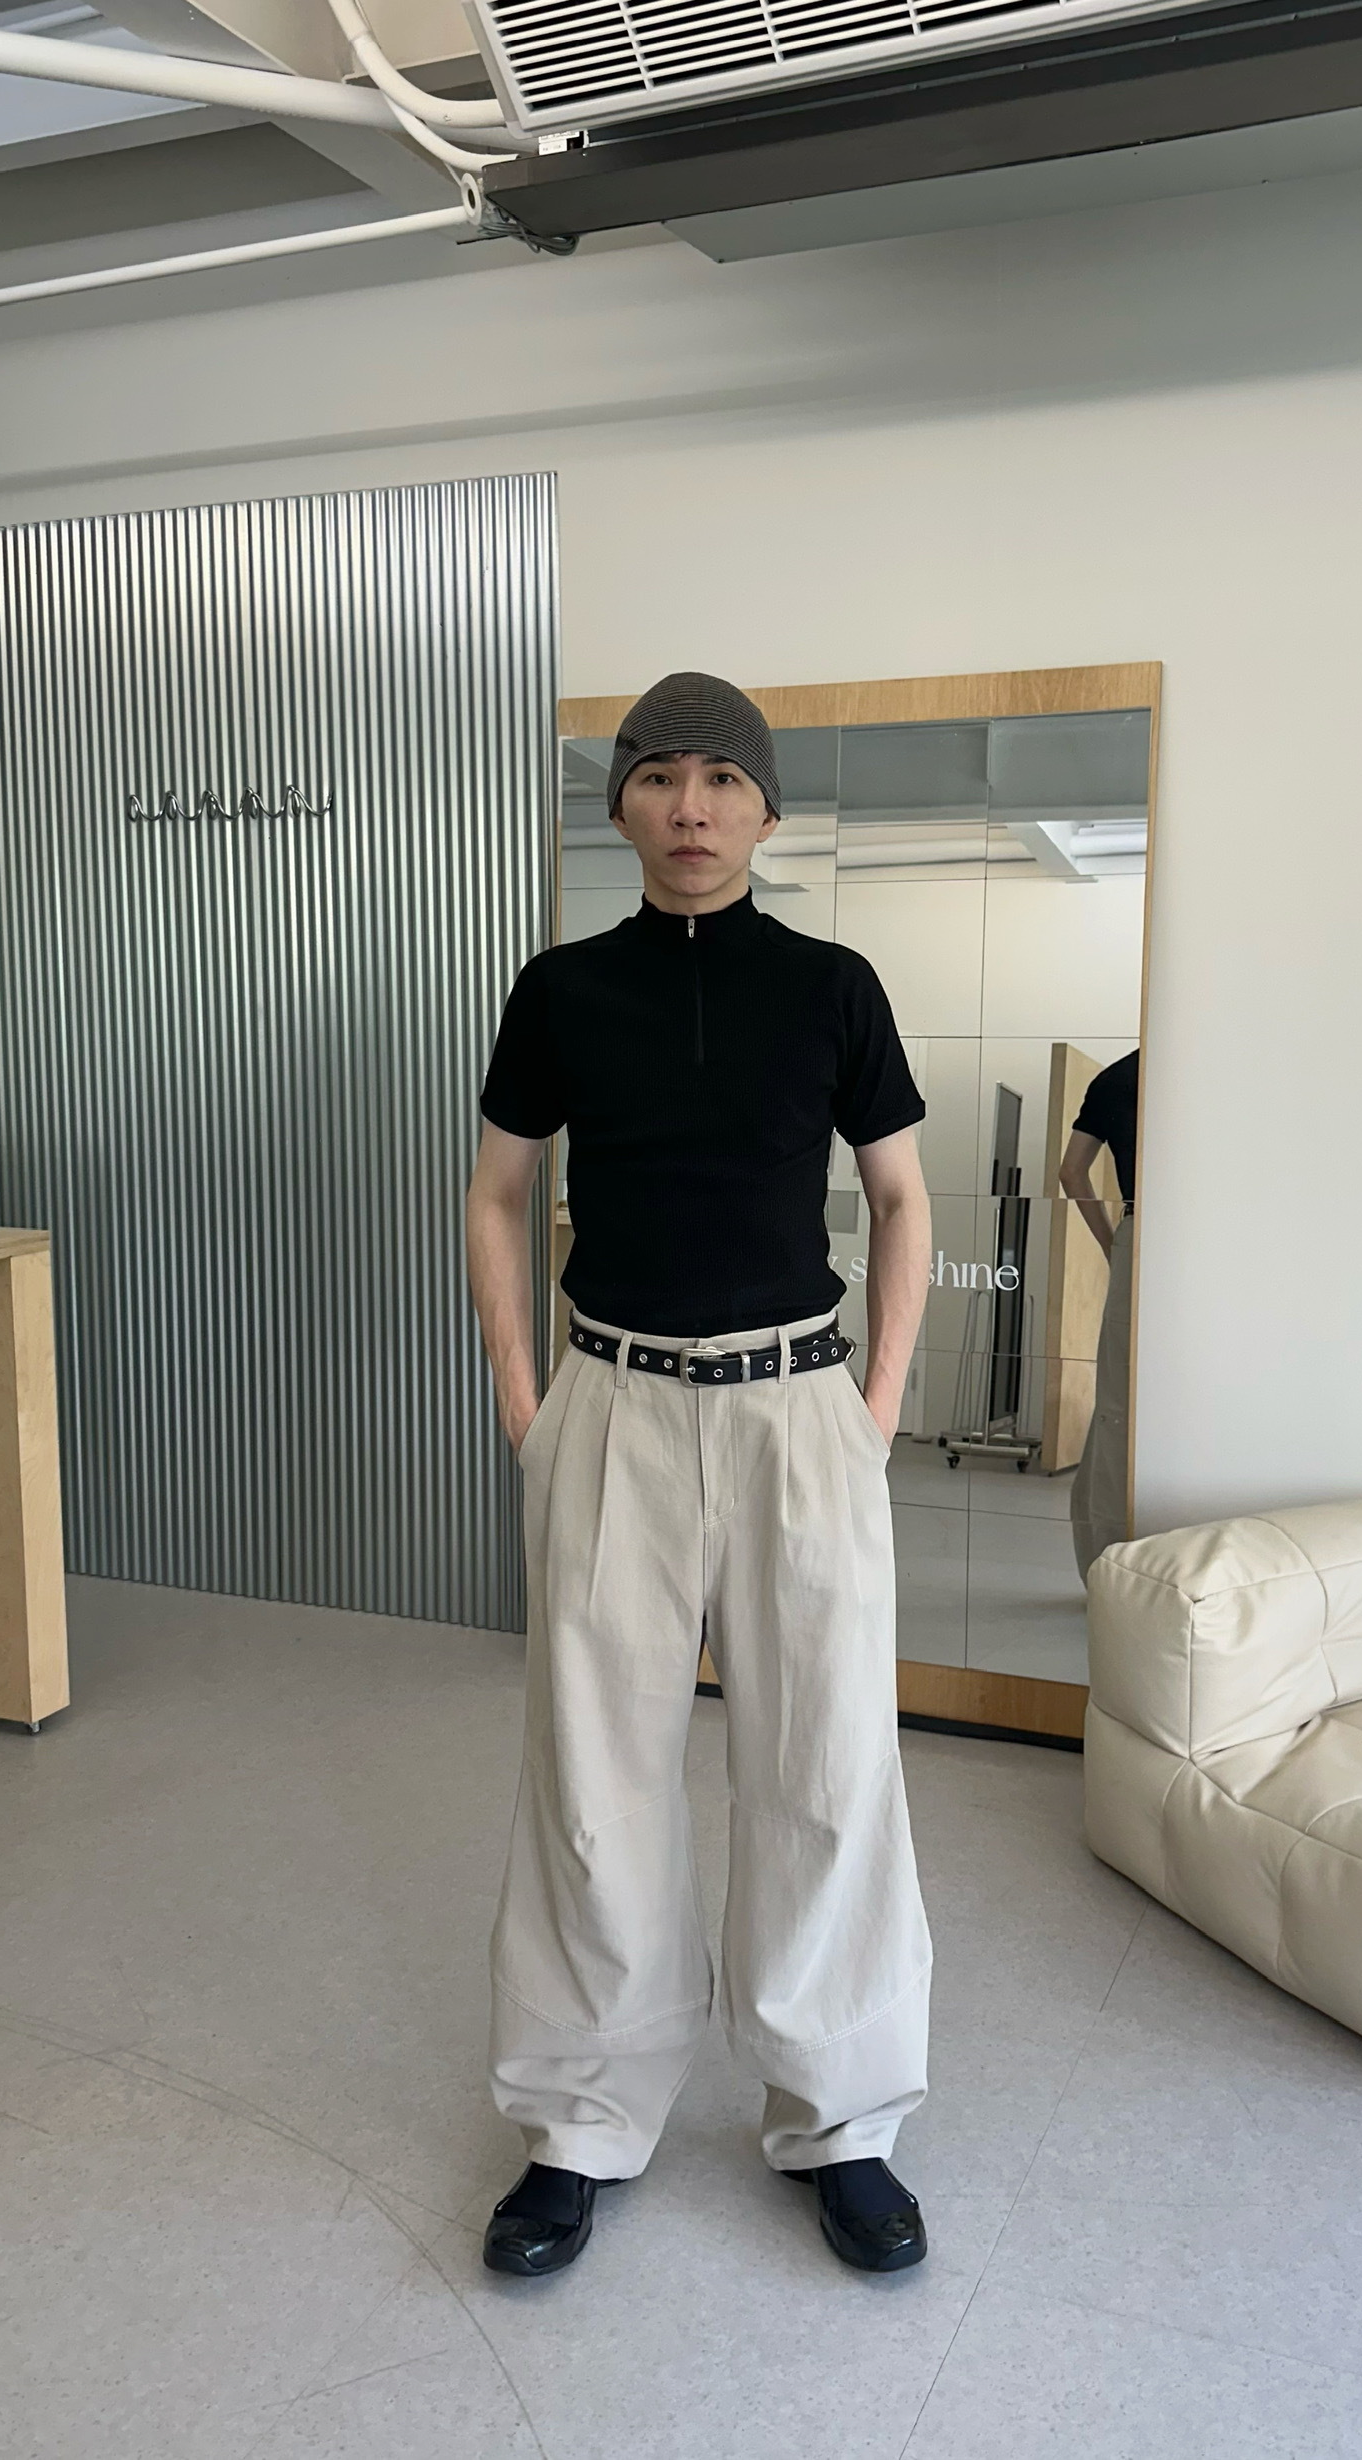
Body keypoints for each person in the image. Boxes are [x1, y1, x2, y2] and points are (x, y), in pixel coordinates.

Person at [466, 671, 935, 2280]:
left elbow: (902, 1199)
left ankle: (841, 2118)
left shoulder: (833, 987)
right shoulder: (562, 991)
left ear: (765, 807)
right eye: (660, 775)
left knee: (828, 1764)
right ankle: (580, 2120)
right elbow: (500, 1193)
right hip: (614, 1408)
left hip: (801, 1411)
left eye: (723, 779)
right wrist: (528, 1402)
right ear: (620, 804)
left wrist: (876, 1407)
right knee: (595, 1775)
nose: (691, 806)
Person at [1059, 1046, 1139, 1580]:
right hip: (1214, 1235)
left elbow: (1072, 1172)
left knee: (1118, 1401)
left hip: (1141, 1228)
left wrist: (1115, 1245)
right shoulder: (1217, 1072)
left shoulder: (1117, 1079)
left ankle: (1109, 1565)